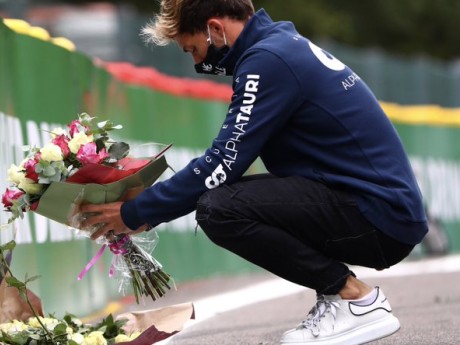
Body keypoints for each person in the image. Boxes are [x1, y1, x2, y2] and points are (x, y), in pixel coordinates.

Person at [80, 0, 428, 344]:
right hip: (377, 207)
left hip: (379, 216)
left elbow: (224, 161)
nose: (198, 62)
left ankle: (354, 298)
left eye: (193, 50)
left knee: (220, 209)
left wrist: (136, 212)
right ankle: (340, 297)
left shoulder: (266, 60)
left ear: (215, 29)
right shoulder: (278, 46)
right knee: (236, 201)